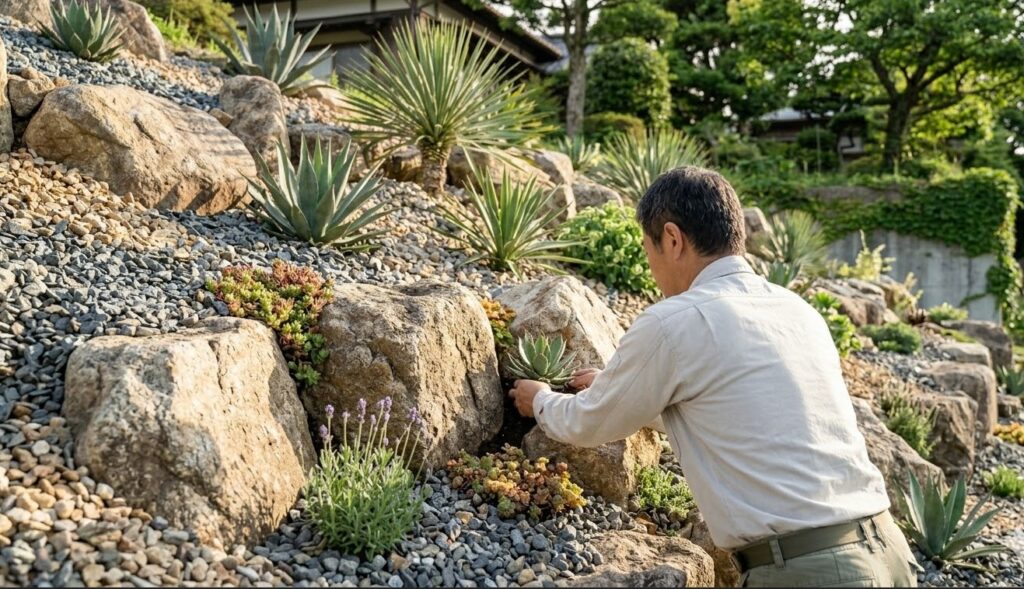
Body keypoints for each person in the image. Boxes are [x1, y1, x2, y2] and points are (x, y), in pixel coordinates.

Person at [508, 167, 919, 587]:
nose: (652, 270)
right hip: (887, 551)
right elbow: (737, 412)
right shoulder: (796, 311)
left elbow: (589, 423)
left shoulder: (675, 321)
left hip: (810, 570)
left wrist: (540, 399)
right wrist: (619, 388)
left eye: (649, 250)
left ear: (672, 239)